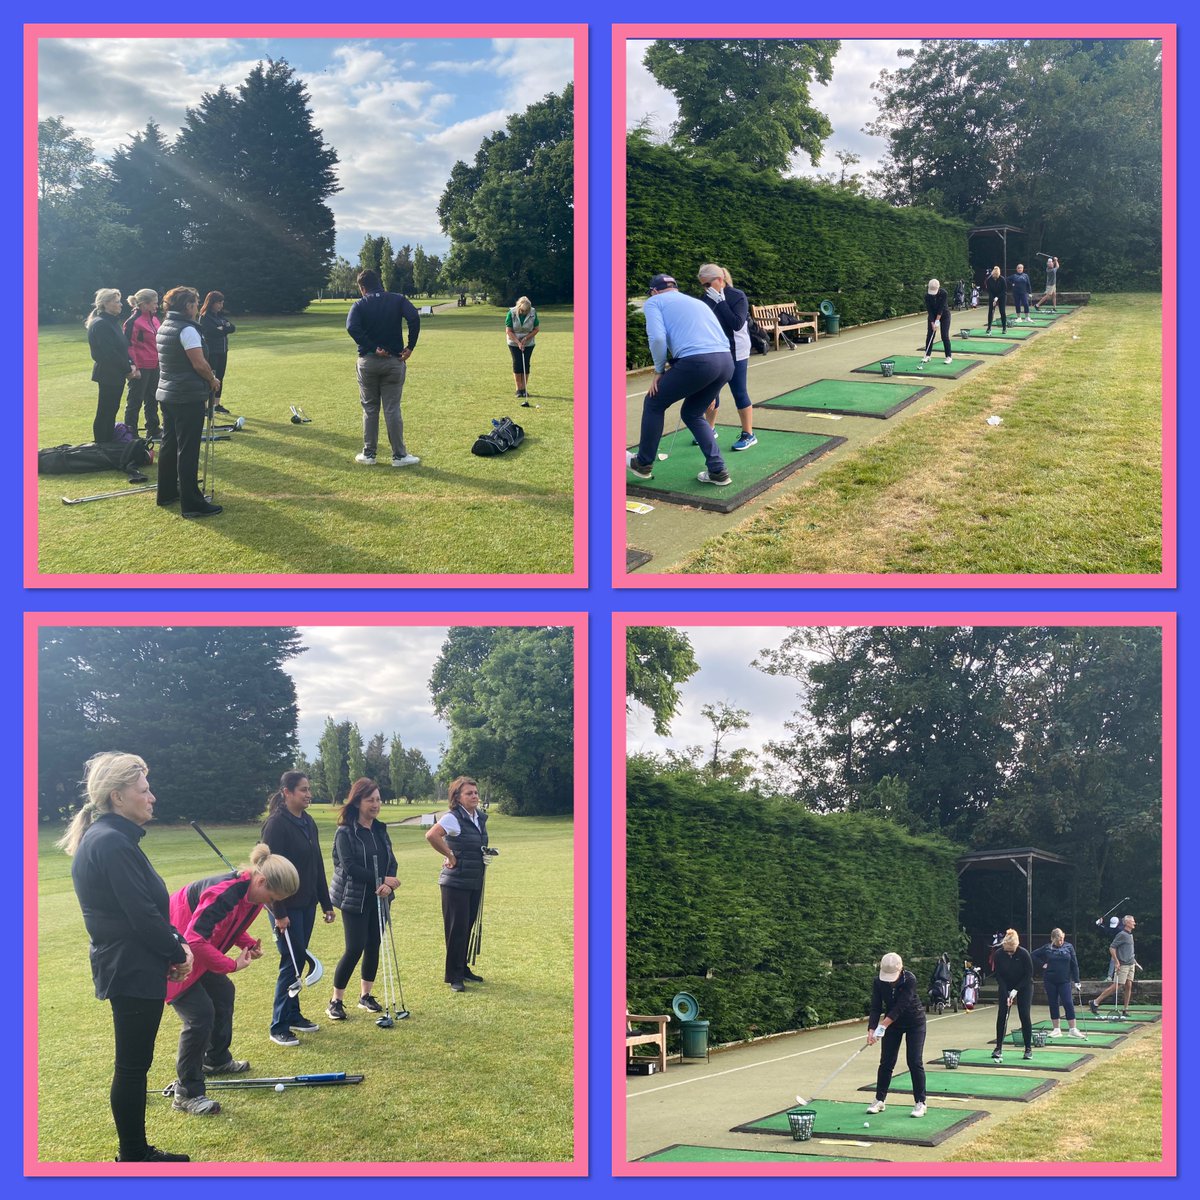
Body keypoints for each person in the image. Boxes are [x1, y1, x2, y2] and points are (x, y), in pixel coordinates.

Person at [59, 752, 194, 1163]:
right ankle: (133, 1155)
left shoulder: (112, 839)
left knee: (136, 1062)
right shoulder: (112, 842)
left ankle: (135, 1152)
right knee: (133, 1066)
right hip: (129, 967)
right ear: (118, 797)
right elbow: (142, 915)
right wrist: (177, 949)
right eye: (144, 789)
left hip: (133, 964)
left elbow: (142, 910)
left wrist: (171, 943)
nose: (152, 797)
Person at [165, 845, 299, 1114]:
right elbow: (194, 938)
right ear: (260, 881)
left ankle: (215, 1060)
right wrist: (231, 964)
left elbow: (229, 924)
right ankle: (186, 1092)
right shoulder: (223, 893)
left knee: (223, 994)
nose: (272, 904)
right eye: (272, 897)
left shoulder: (253, 896)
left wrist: (247, 944)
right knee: (200, 1015)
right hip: (173, 955)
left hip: (196, 953)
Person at [625, 273, 734, 488]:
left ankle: (643, 464)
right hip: (725, 361)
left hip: (698, 362)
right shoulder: (696, 302)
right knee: (692, 413)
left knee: (654, 403)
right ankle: (718, 471)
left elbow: (656, 338)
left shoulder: (654, 301)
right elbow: (715, 339)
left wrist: (658, 370)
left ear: (654, 291)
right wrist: (712, 389)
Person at [259, 770, 335, 1045]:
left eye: (309, 789)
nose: (308, 794)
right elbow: (268, 872)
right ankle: (278, 1024)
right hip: (285, 907)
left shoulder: (308, 821)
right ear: (286, 793)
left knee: (299, 959)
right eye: (302, 789)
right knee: (290, 962)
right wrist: (279, 913)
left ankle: (293, 1015)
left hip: (307, 904)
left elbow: (316, 864)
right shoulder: (275, 825)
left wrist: (326, 903)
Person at [327, 778, 400, 1021]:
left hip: (379, 898)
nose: (376, 804)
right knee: (355, 947)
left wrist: (389, 883)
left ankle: (365, 996)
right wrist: (381, 881)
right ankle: (335, 1000)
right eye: (370, 800)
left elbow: (391, 861)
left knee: (373, 946)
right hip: (354, 898)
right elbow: (349, 867)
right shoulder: (345, 832)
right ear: (357, 801)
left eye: (378, 799)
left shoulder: (380, 829)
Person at [154, 286, 223, 519]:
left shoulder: (165, 325)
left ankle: (167, 492)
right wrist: (213, 380)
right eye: (194, 303)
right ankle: (192, 503)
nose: (196, 306)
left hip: (169, 393)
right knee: (188, 449)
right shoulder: (187, 329)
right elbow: (199, 364)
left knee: (170, 444)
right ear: (188, 306)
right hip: (186, 395)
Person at [346, 269, 421, 467]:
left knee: (370, 408)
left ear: (362, 288)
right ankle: (399, 456)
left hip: (368, 361)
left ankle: (369, 454)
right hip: (394, 361)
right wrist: (410, 346)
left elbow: (351, 327)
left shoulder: (360, 304)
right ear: (379, 283)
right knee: (392, 408)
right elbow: (414, 318)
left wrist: (372, 347)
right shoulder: (397, 299)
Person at [426, 776, 490, 992]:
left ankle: (462, 968)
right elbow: (432, 835)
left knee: (467, 926)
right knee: (457, 928)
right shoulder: (453, 818)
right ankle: (454, 976)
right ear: (457, 797)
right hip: (455, 883)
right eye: (469, 793)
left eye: (475, 792)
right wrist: (450, 855)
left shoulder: (478, 818)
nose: (474, 796)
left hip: (474, 879)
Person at [697, 264, 756, 451]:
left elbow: (737, 323)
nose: (705, 289)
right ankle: (710, 429)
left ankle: (748, 434)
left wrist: (721, 302)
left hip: (736, 350)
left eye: (707, 284)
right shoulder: (706, 298)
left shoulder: (737, 296)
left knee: (738, 390)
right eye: (703, 286)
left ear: (719, 280)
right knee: (710, 392)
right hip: (715, 350)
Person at [865, 953, 927, 1118]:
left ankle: (920, 1103)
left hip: (915, 1022)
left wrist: (882, 1026)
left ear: (901, 969)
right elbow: (875, 1007)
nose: (890, 980)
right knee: (886, 1062)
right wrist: (871, 1029)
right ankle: (879, 1100)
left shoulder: (910, 979)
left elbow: (901, 1006)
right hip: (893, 1026)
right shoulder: (878, 982)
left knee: (914, 1061)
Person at [86, 288, 140, 444]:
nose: (120, 305)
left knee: (111, 409)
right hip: (108, 373)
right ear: (106, 304)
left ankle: (107, 441)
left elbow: (122, 348)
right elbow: (109, 353)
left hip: (115, 372)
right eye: (116, 302)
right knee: (106, 410)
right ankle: (102, 443)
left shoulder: (111, 322)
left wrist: (131, 364)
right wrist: (128, 369)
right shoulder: (101, 324)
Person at [1031, 928, 1087, 1039]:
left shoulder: (1069, 947)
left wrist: (1077, 981)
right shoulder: (1047, 948)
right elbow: (1033, 955)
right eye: (1058, 940)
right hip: (1050, 980)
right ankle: (1056, 1029)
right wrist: (1043, 964)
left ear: (1064, 936)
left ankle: (1073, 1029)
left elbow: (1074, 964)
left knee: (1068, 1002)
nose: (1060, 942)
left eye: (1061, 939)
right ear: (1052, 939)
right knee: (1053, 1003)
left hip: (1065, 980)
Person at [122, 289, 161, 438]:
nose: (157, 306)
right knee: (135, 401)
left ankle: (153, 429)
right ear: (144, 304)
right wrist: (134, 367)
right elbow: (128, 346)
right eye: (155, 303)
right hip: (141, 367)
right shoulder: (133, 321)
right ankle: (130, 434)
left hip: (154, 365)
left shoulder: (154, 319)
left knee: (152, 399)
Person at [991, 928, 1035, 1060]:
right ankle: (998, 1047)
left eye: (1012, 950)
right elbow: (998, 975)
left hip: (1024, 986)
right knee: (1002, 1015)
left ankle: (1028, 1048)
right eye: (1007, 950)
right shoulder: (999, 954)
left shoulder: (1024, 954)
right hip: (1006, 986)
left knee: (1024, 1014)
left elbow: (1028, 975)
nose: (1009, 953)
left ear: (1016, 945)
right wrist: (1006, 993)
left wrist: (1016, 990)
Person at [1090, 915, 1137, 1016]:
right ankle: (1095, 1002)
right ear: (1127, 923)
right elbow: (1112, 948)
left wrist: (1135, 962)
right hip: (1123, 964)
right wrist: (1116, 962)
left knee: (1129, 985)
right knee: (1117, 985)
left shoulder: (1130, 935)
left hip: (1131, 964)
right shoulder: (1122, 934)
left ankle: (1125, 1009)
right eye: (1132, 921)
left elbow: (1129, 951)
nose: (1134, 923)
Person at [198, 292, 236, 415]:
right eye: (219, 302)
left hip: (223, 351)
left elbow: (232, 328)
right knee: (210, 378)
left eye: (222, 302)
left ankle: (216, 404)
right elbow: (212, 332)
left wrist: (223, 328)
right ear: (212, 302)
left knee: (220, 377)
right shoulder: (205, 316)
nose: (221, 305)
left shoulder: (219, 316)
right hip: (212, 352)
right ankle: (205, 406)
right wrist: (224, 328)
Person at [506, 296, 539, 398]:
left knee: (526, 364)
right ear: (519, 307)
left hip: (528, 342)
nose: (524, 312)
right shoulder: (511, 313)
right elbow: (509, 331)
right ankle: (518, 389)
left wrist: (525, 339)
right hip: (513, 341)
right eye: (523, 310)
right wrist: (518, 342)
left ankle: (524, 389)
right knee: (517, 363)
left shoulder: (533, 312)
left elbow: (536, 329)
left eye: (526, 311)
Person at [923, 278, 953, 365]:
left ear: (938, 288)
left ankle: (948, 356)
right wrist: (932, 323)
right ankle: (927, 355)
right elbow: (930, 310)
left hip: (944, 315)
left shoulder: (944, 293)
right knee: (930, 335)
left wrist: (937, 321)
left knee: (944, 335)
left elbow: (941, 309)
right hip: (932, 316)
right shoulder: (927, 296)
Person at [984, 266, 1008, 335]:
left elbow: (1004, 290)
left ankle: (1004, 328)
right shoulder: (989, 280)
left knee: (1002, 311)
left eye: (997, 276)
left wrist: (997, 297)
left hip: (1002, 296)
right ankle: (989, 328)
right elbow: (989, 290)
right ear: (992, 274)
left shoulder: (1002, 279)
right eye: (994, 275)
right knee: (991, 311)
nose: (995, 277)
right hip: (992, 296)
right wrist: (993, 299)